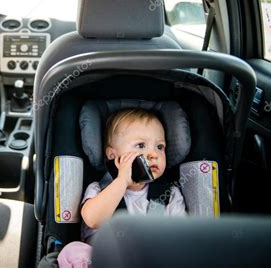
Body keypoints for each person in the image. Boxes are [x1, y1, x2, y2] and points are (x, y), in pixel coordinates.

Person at [57, 108, 186, 268]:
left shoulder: (170, 194)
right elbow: (92, 219)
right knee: (73, 252)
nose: (154, 154)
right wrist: (122, 181)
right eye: (140, 145)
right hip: (107, 260)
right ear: (112, 155)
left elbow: (181, 235)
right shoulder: (99, 189)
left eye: (160, 147)